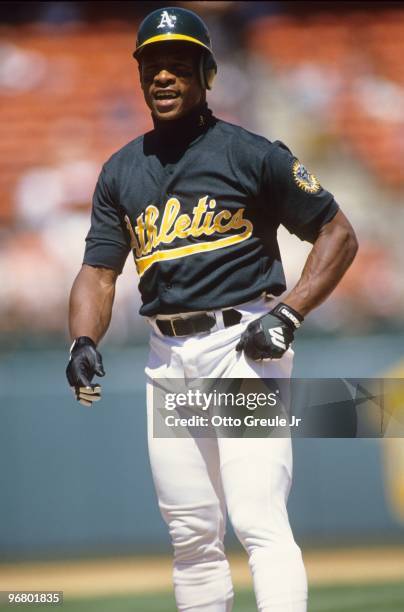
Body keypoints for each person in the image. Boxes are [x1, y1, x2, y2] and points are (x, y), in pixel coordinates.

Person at [66, 6, 358, 612]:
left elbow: (338, 233)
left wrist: (291, 313)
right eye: (152, 66)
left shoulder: (251, 154)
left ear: (208, 73)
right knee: (192, 536)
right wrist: (83, 340)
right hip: (166, 357)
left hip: (242, 346)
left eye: (178, 64)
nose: (163, 78)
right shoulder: (120, 170)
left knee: (257, 519)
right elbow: (99, 271)